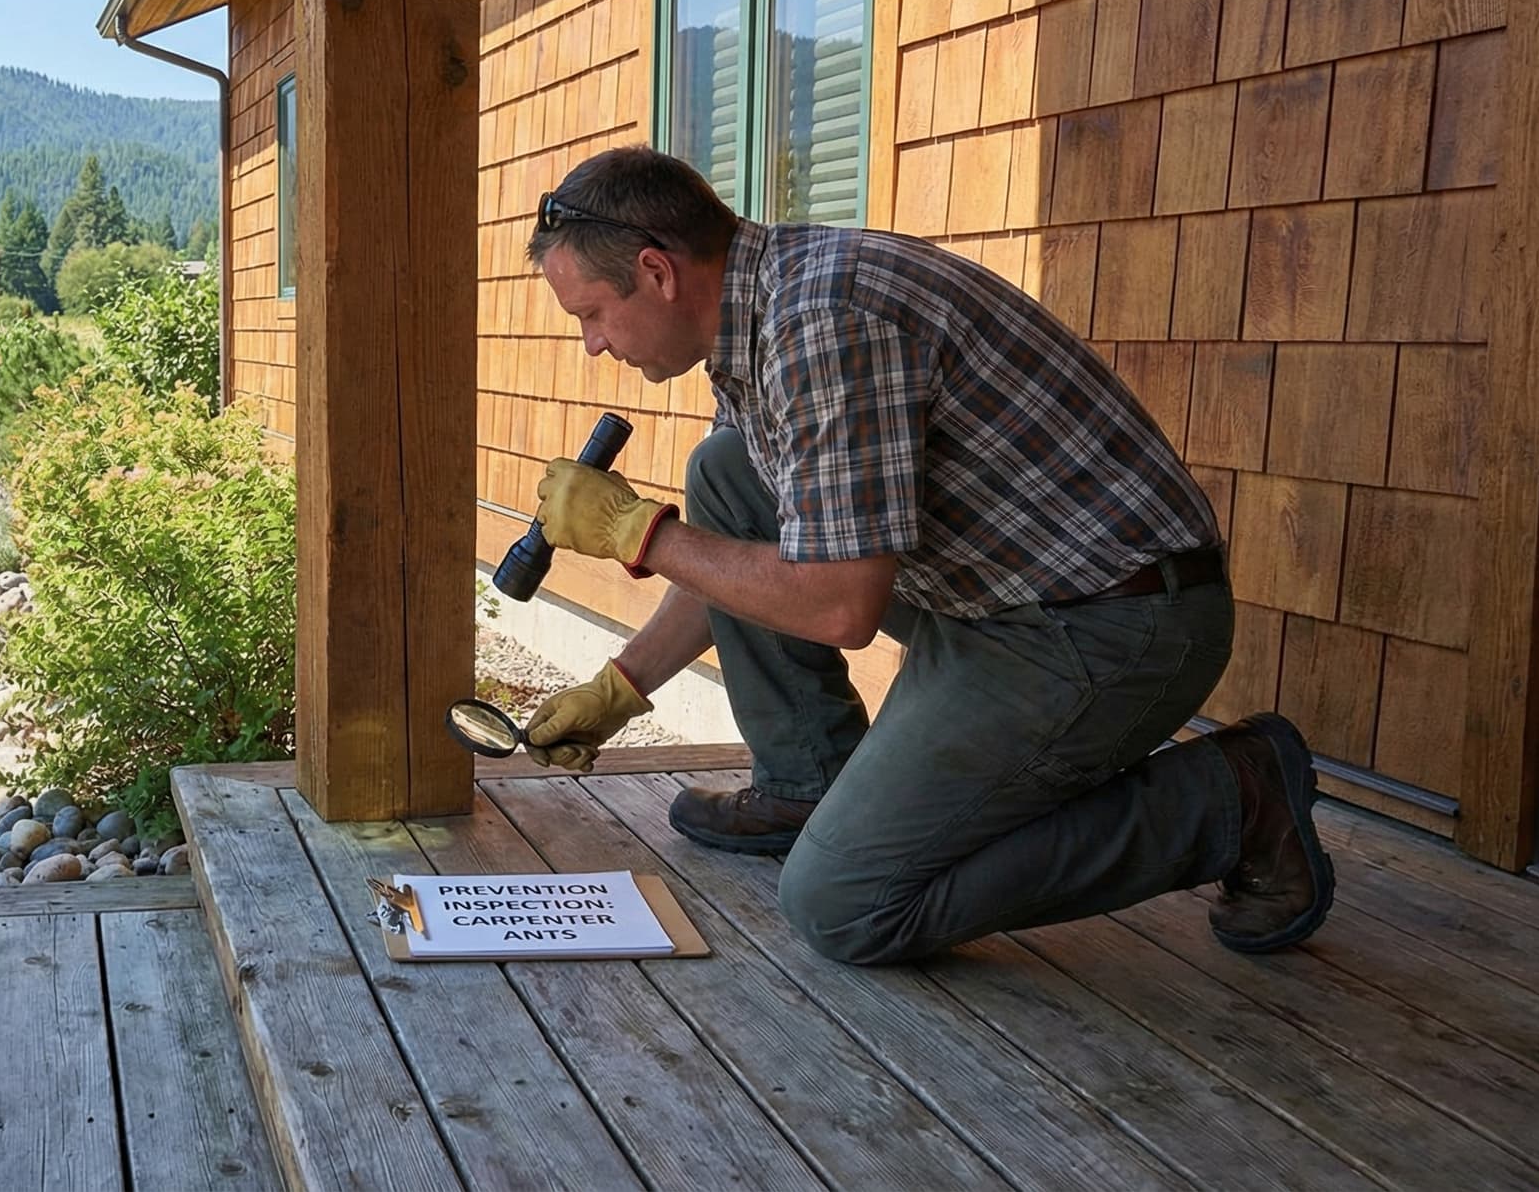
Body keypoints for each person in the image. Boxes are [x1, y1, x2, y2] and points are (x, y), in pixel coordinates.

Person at [517, 145, 1334, 966]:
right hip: (995, 595)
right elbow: (764, 548)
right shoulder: (757, 316)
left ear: (658, 272)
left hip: (1109, 621)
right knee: (727, 473)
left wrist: (640, 533)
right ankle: (810, 788)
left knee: (844, 903)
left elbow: (837, 605)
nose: (591, 344)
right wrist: (624, 685)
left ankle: (1231, 799)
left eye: (590, 314)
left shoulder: (824, 321)